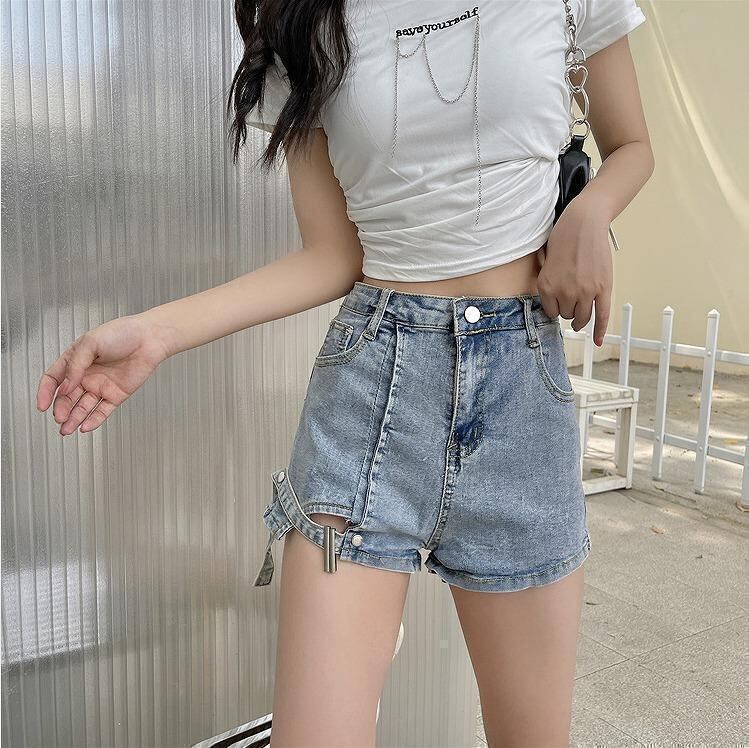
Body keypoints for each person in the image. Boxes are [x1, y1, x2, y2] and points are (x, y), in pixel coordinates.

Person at [36, 0, 654, 744]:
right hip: (371, 395)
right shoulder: (302, 21)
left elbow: (632, 145)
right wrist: (158, 334)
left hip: (519, 393)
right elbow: (332, 256)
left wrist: (588, 214)